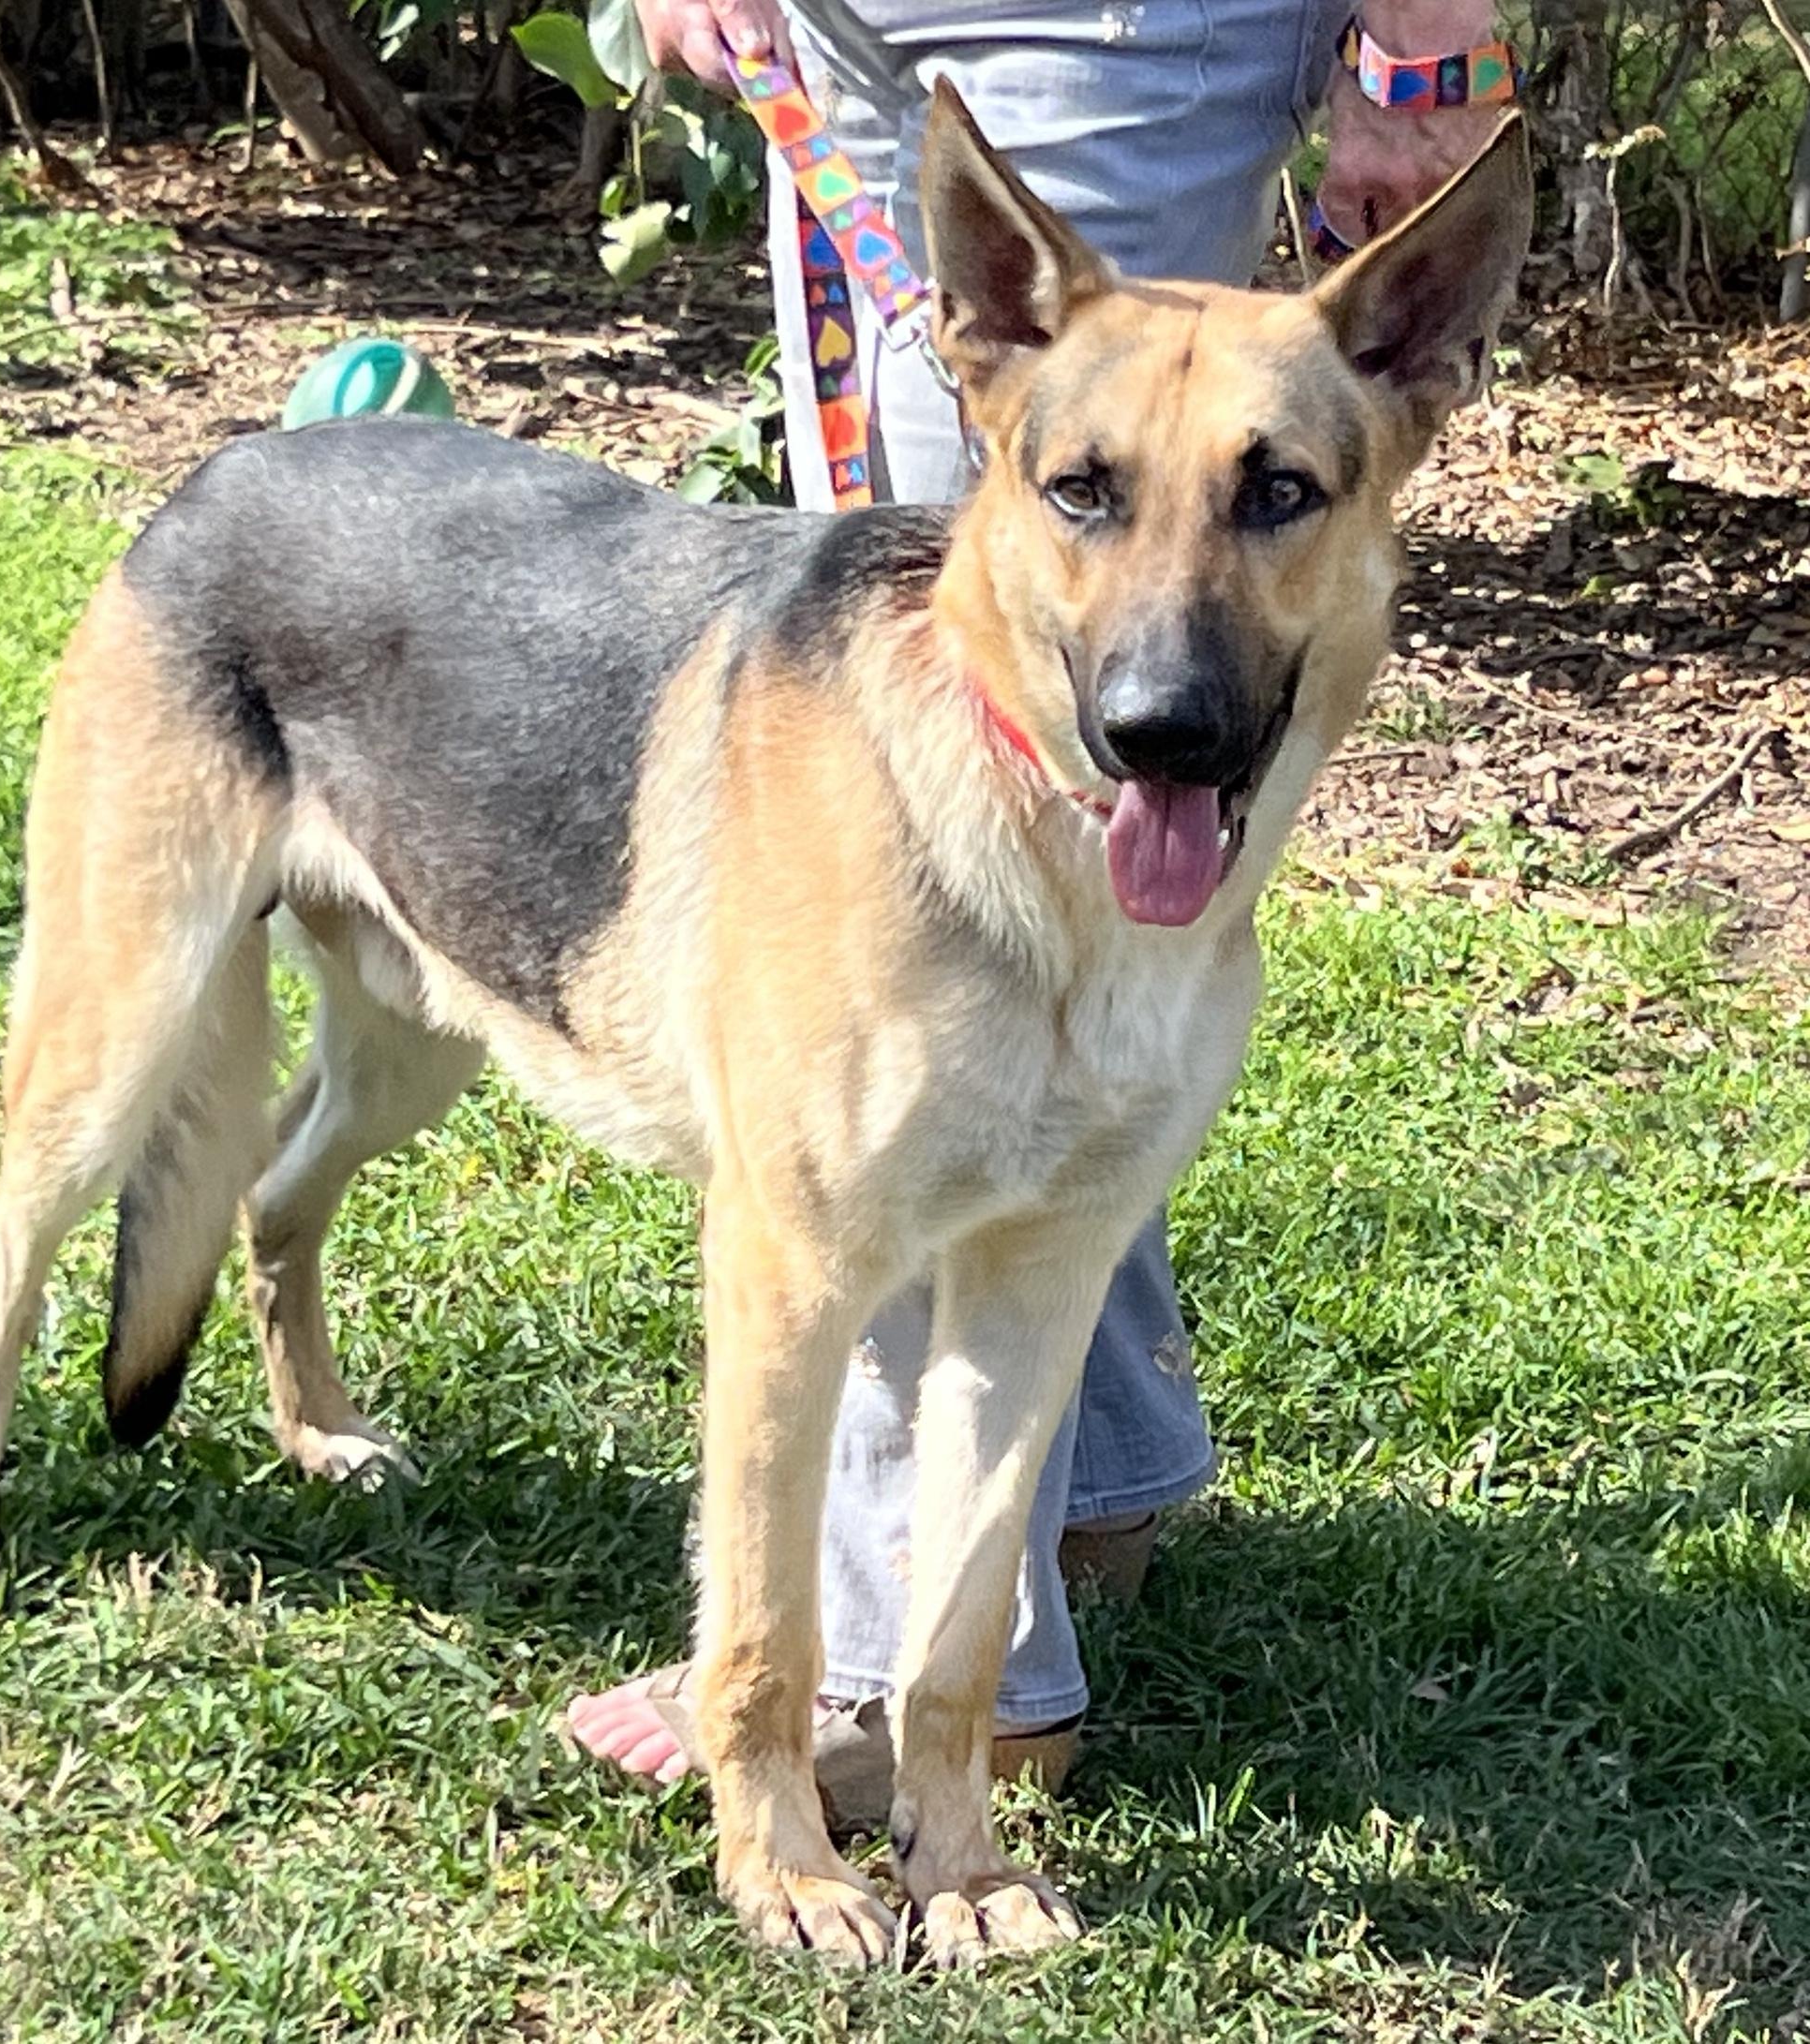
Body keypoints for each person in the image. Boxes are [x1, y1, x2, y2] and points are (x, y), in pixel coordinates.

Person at [568, 0, 1511, 1814]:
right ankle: (1105, 1478)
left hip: (1112, 24)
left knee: (942, 1003)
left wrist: (1431, 43)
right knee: (916, 810)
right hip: (842, 32)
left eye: (1274, 502)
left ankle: (924, 1677)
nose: (1161, 680)